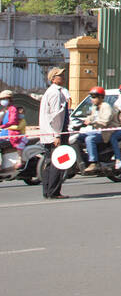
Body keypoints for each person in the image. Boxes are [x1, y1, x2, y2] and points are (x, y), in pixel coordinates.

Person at [73, 87, 121, 173]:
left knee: (89, 139)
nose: (92, 99)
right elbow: (91, 117)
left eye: (95, 97)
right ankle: (83, 159)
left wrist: (92, 122)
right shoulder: (94, 107)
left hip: (106, 132)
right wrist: (81, 123)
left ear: (101, 97)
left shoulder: (106, 107)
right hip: (97, 131)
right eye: (91, 97)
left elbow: (105, 121)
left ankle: (94, 162)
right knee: (78, 138)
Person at [39, 66, 71, 199]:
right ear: (53, 79)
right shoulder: (55, 93)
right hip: (56, 134)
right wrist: (57, 135)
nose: (63, 78)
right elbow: (56, 115)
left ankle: (48, 191)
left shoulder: (51, 92)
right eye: (60, 76)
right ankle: (54, 191)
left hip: (49, 134)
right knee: (58, 162)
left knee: (49, 163)